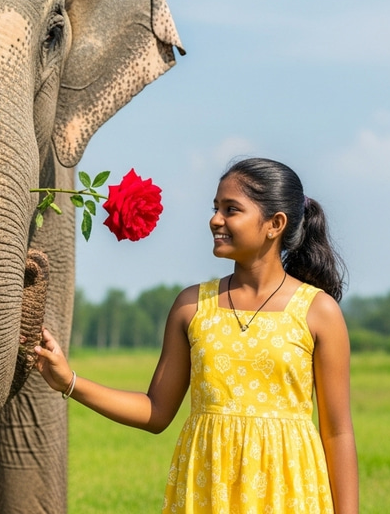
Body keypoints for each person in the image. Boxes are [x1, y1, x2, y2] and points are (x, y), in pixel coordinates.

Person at [35, 157, 358, 513]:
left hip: (290, 493)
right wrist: (69, 380)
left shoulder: (318, 311)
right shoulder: (192, 306)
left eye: (231, 209)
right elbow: (155, 412)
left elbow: (337, 433)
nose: (215, 219)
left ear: (275, 224)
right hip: (208, 489)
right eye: (215, 208)